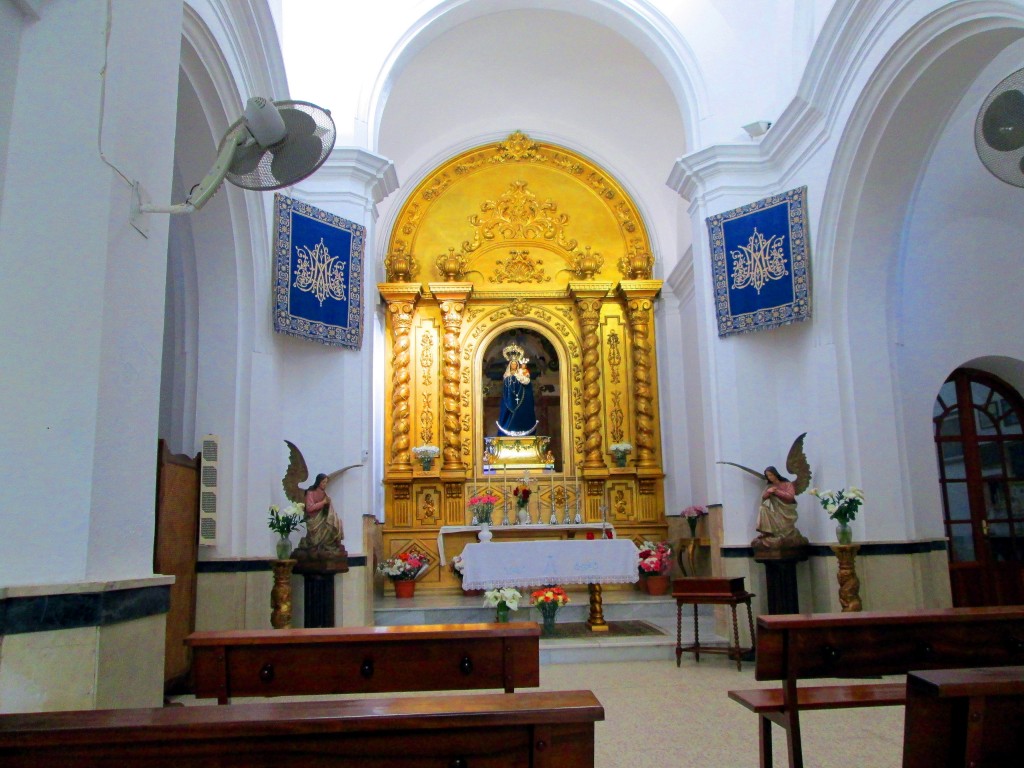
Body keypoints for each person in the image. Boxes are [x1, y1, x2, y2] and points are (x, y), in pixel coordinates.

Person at [753, 466, 807, 548]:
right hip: (773, 509)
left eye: (771, 475)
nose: (769, 477)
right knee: (762, 508)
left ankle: (783, 534)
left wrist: (776, 491)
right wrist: (768, 492)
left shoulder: (787, 484)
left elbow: (790, 496)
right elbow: (764, 497)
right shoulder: (769, 486)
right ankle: (768, 533)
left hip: (785, 509)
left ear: (775, 474)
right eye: (767, 476)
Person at [296, 473, 344, 558]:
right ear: (318, 482)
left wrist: (328, 504)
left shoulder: (324, 493)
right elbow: (309, 508)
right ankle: (318, 546)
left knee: (335, 522)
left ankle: (330, 543)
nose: (325, 484)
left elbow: (326, 508)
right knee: (327, 524)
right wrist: (323, 502)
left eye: (326, 482)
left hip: (322, 517)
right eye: (323, 482)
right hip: (313, 519)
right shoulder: (310, 492)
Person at [496, 345, 538, 436]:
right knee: (508, 413)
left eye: (515, 364)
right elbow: (506, 387)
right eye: (512, 364)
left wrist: (519, 377)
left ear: (517, 365)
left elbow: (526, 382)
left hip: (521, 398)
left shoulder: (521, 374)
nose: (514, 365)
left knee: (521, 413)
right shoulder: (507, 376)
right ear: (510, 365)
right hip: (509, 399)